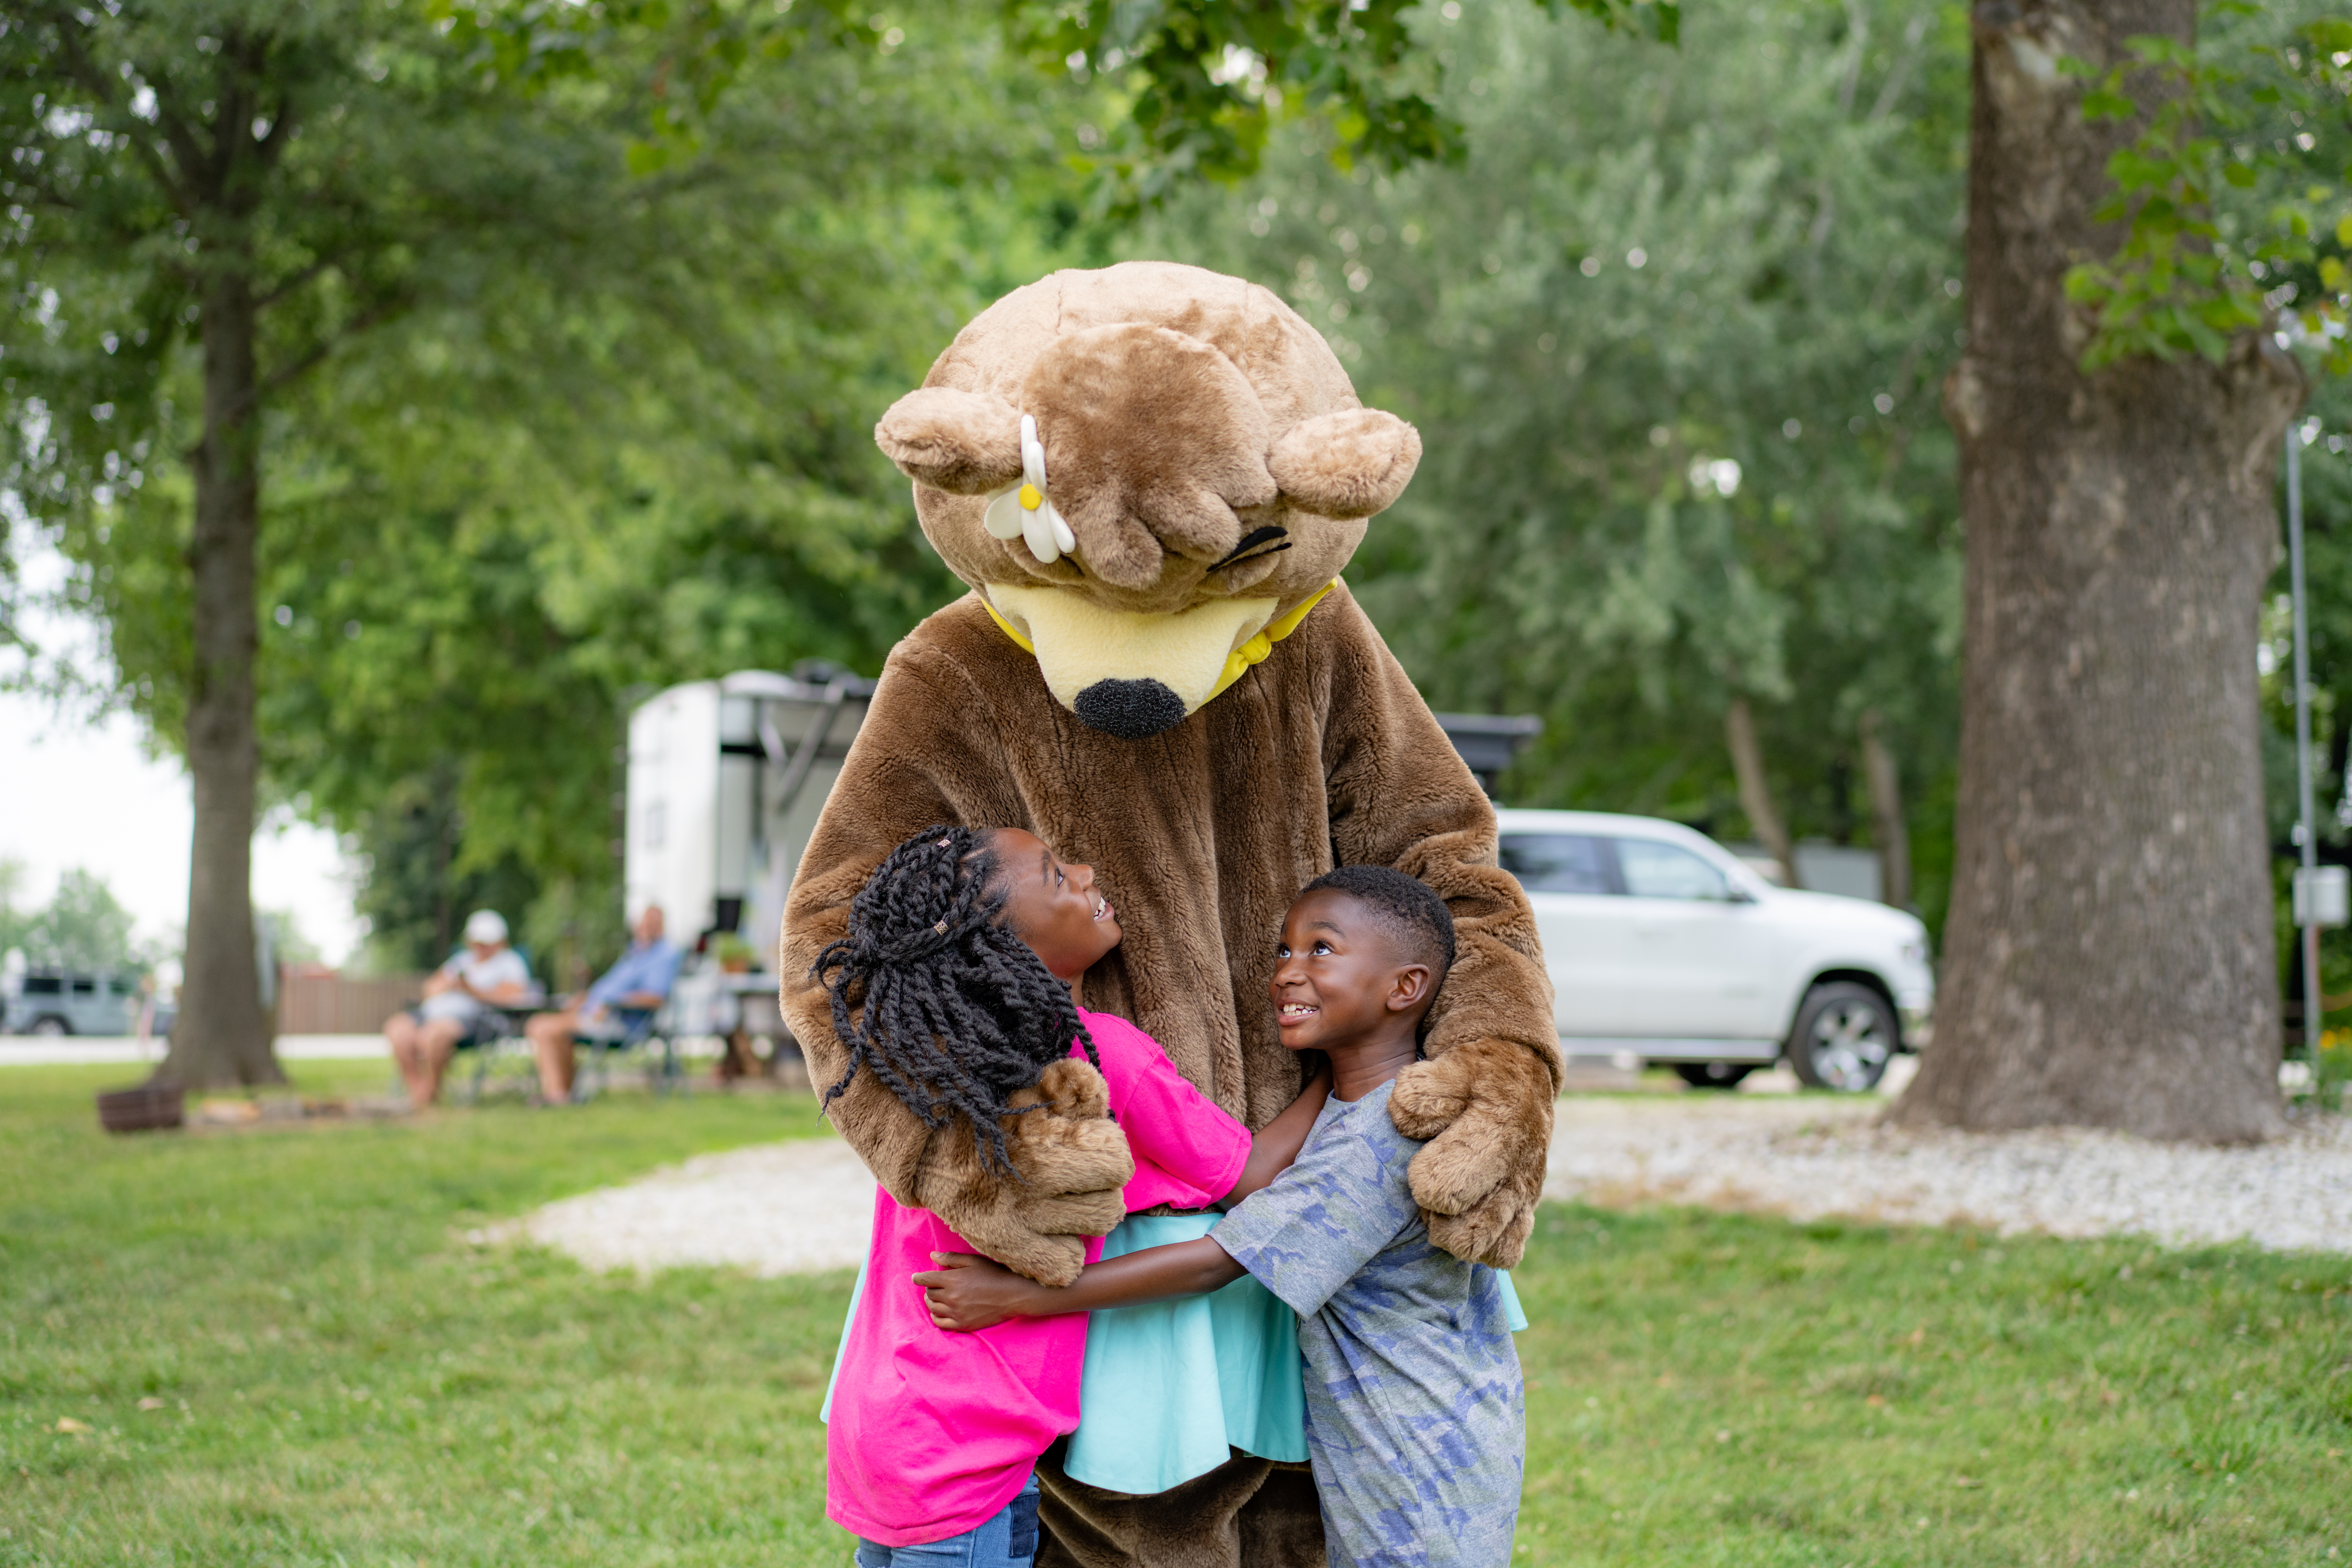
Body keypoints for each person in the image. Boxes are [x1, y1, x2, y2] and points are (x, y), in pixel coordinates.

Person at [919, 867, 1527, 1568]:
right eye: (1283, 950)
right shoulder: (1356, 1101)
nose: (1287, 973)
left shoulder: (1383, 1135)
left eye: (1320, 950)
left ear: (1404, 988)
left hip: (1423, 1443)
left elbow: (1218, 1260)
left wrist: (1022, 1295)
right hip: (1386, 1426)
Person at [816, 825, 1331, 1568]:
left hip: (885, 1419)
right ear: (1008, 946)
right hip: (967, 1449)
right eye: (1058, 876)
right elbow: (1249, 1175)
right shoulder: (1102, 1058)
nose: (1090, 871)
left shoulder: (921, 1069)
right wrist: (1341, 1069)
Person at [524, 905, 681, 1104]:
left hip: (620, 1023)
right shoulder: (635, 952)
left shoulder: (664, 955)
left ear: (662, 927)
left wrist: (609, 1003)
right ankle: (564, 1093)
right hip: (597, 1014)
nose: (645, 928)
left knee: (542, 1027)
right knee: (549, 1028)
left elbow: (655, 998)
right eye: (642, 923)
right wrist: (585, 998)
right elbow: (611, 987)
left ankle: (556, 1096)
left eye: (652, 924)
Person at [383, 909, 533, 1107]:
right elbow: (430, 987)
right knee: (398, 1028)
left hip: (477, 1020)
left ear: (500, 941)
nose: (481, 947)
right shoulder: (461, 961)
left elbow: (513, 996)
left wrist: (472, 990)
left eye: (487, 942)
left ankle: (429, 1094)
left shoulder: (510, 962)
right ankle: (417, 1091)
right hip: (431, 1013)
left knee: (435, 1035)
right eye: (477, 941)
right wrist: (448, 985)